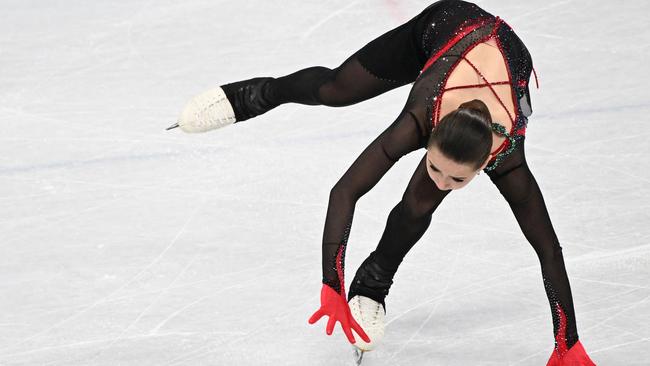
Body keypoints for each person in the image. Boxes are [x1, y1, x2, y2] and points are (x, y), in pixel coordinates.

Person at [169, 1, 596, 364]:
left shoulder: (509, 158)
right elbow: (346, 191)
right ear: (427, 138)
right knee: (335, 89)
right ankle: (251, 96)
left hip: (495, 65)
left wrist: (567, 340)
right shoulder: (417, 117)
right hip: (447, 28)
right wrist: (330, 284)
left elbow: (548, 250)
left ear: (486, 161)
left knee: (421, 203)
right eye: (434, 167)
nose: (445, 181)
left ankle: (372, 285)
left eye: (457, 178)